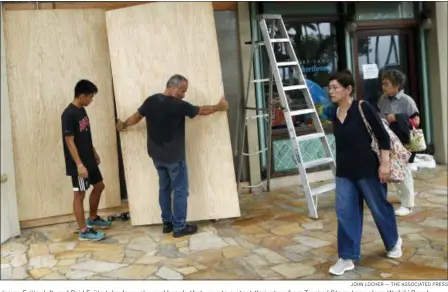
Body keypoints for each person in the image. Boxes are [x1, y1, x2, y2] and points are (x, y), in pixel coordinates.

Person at [116, 74, 229, 238]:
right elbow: (202, 110)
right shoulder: (178, 105)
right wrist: (219, 106)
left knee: (164, 188)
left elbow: (136, 117)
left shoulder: (151, 100)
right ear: (172, 87)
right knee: (181, 191)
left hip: (156, 155)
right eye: (182, 91)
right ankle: (179, 227)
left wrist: (123, 125)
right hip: (174, 157)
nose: (184, 95)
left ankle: (167, 223)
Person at [328, 70, 402, 276]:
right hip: (344, 172)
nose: (331, 91)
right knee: (345, 213)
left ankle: (394, 242)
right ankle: (347, 256)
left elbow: (382, 136)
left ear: (348, 89)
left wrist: (385, 164)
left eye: (335, 87)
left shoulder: (362, 107)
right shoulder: (333, 112)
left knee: (379, 208)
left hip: (368, 169)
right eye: (330, 88)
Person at [61, 79, 112, 241]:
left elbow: (86, 134)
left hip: (89, 158)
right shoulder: (68, 114)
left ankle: (93, 217)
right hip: (79, 163)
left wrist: (94, 152)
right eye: (90, 97)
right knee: (79, 195)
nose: (91, 100)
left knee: (99, 186)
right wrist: (79, 165)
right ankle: (84, 231)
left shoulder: (82, 110)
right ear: (81, 96)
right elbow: (69, 141)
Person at [378, 69, 419, 217]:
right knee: (394, 170)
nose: (384, 86)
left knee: (404, 171)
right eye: (383, 83)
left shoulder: (406, 100)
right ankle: (404, 197)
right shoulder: (382, 99)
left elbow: (416, 121)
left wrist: (396, 117)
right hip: (390, 140)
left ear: (397, 85)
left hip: (405, 141)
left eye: (387, 84)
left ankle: (408, 205)